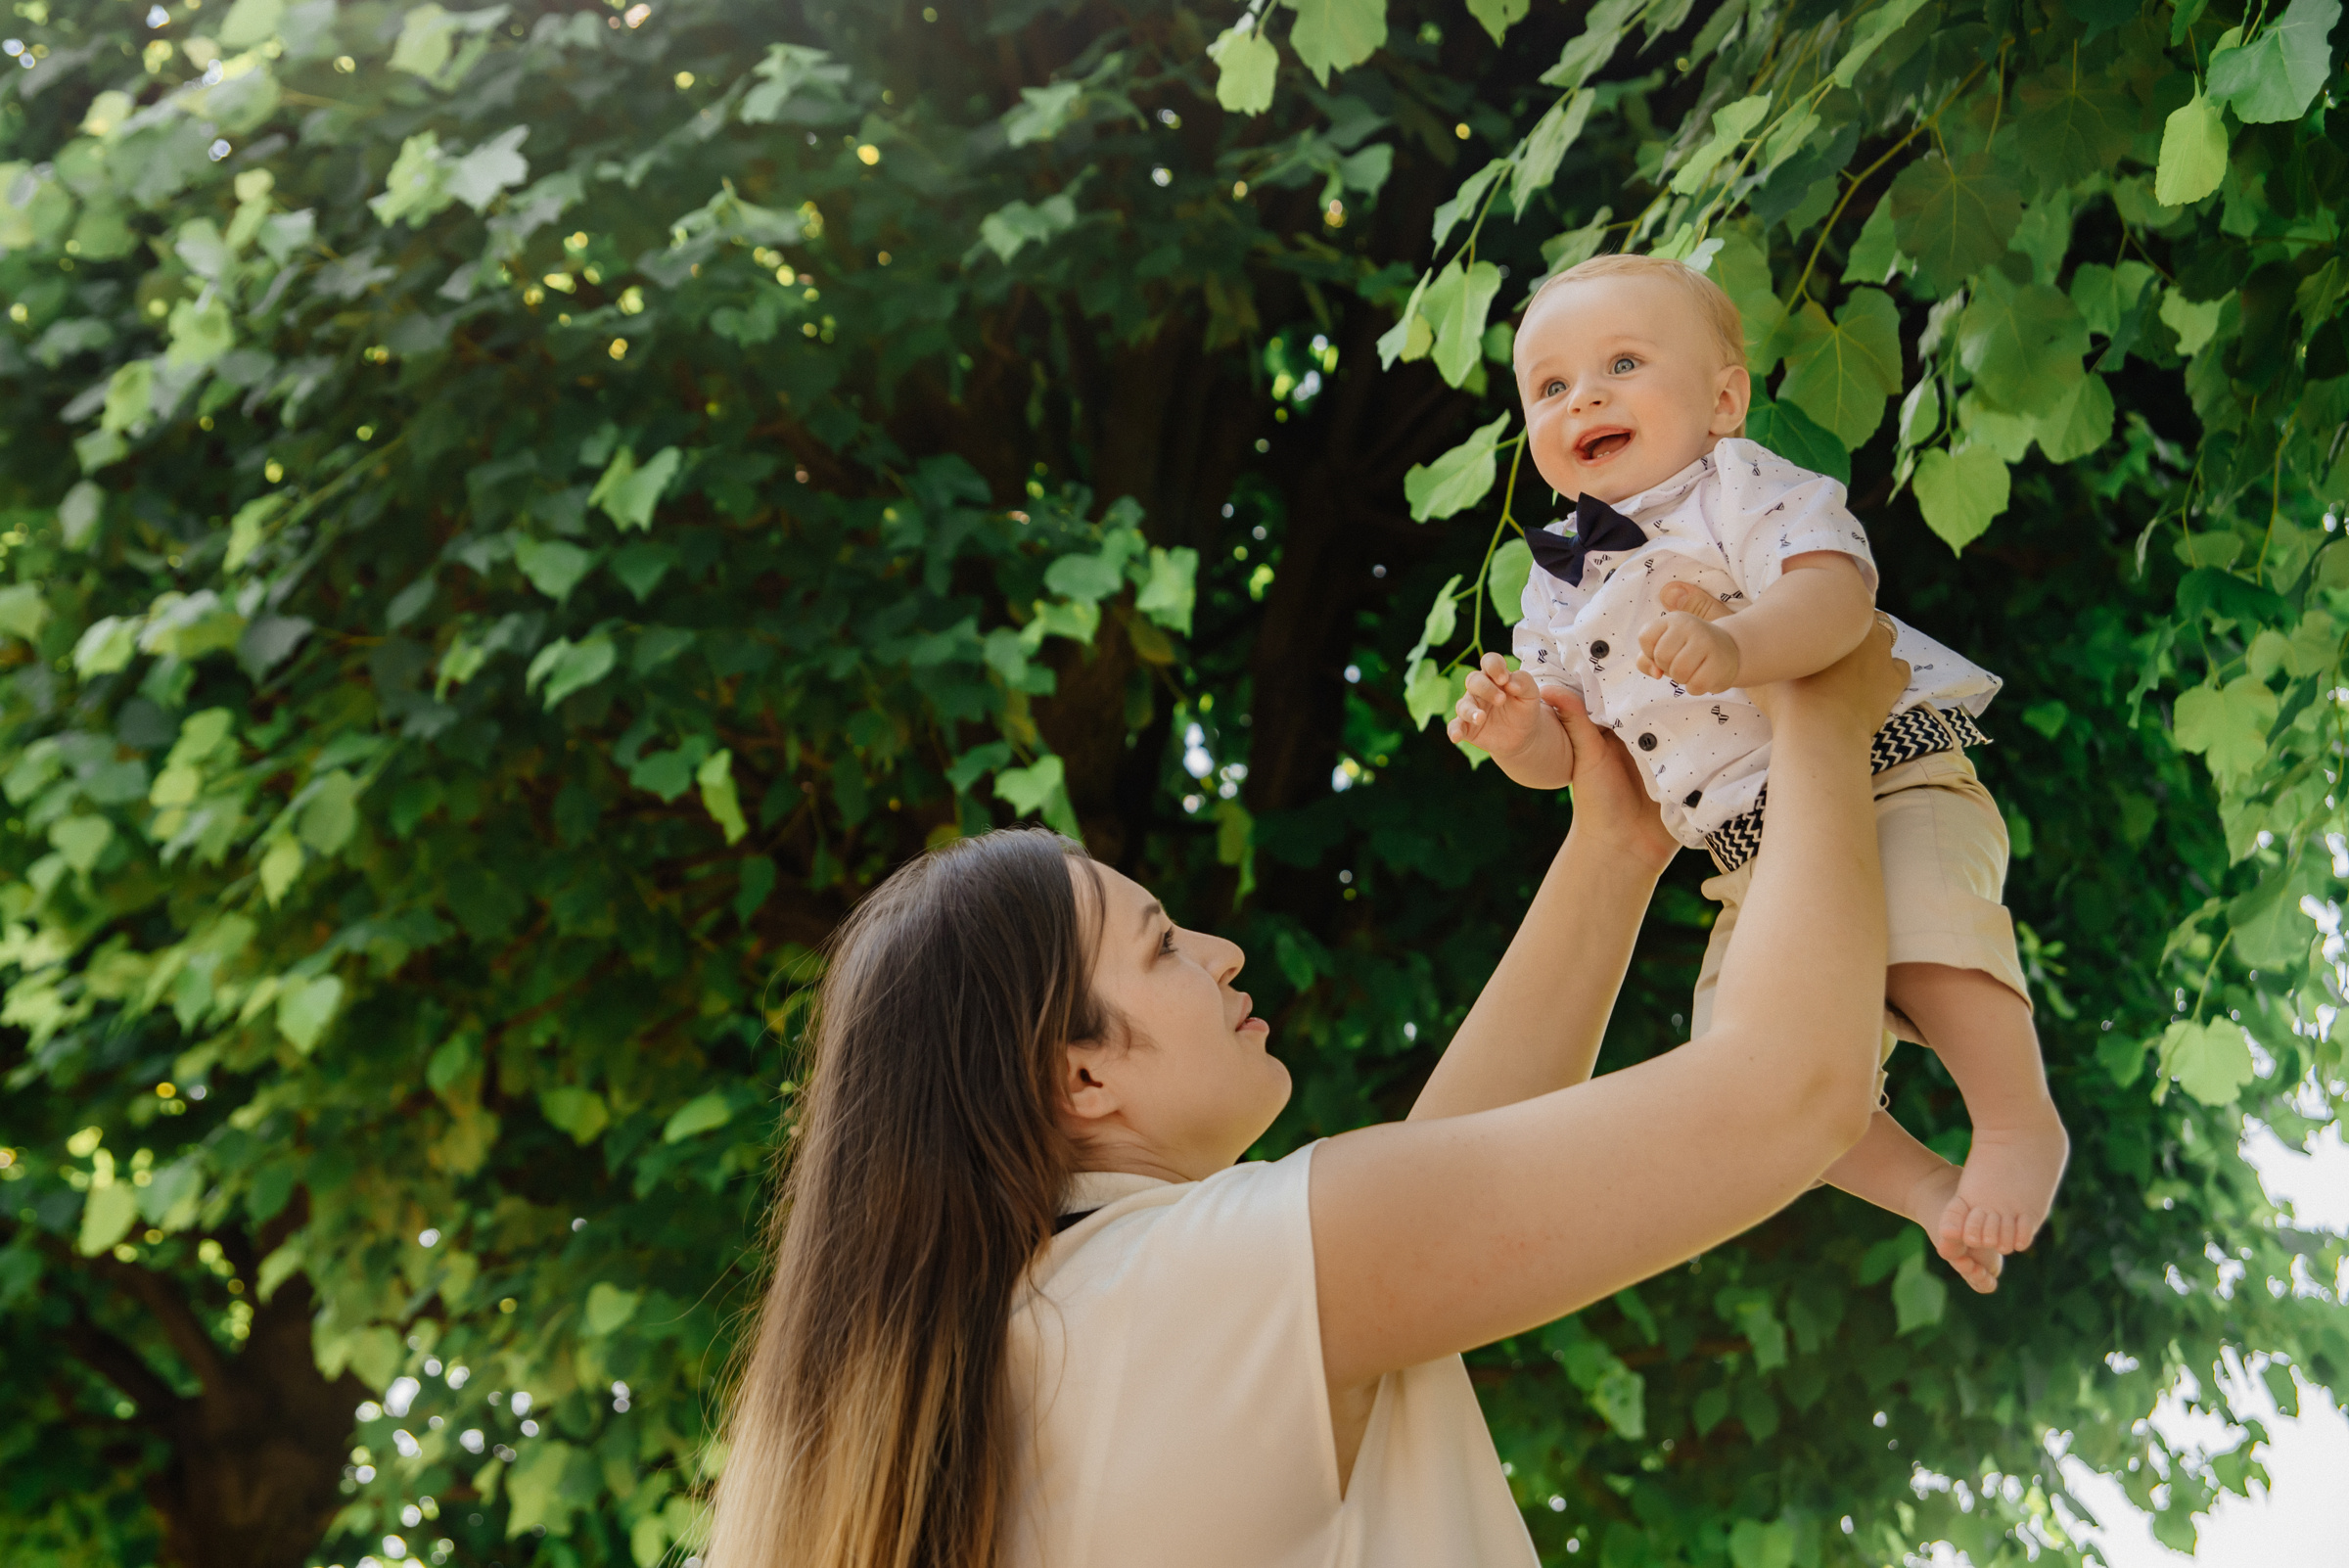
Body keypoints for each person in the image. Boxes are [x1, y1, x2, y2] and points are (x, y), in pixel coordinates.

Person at [706, 623, 1914, 1568]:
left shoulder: (1048, 1334)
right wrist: (1819, 708)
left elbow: (1436, 1202)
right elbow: (1790, 1095)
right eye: (1163, 945)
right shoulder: (1174, 1289)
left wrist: (1612, 848)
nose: (1223, 951)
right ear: (1080, 1074)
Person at [1449, 253, 2067, 1290]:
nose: (1585, 395)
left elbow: (1837, 598)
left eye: (1623, 363)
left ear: (1724, 398)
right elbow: (1575, 759)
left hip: (1884, 772)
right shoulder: (1555, 585)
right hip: (1747, 854)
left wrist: (1740, 649)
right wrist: (1523, 740)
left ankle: (2015, 1120)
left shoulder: (1738, 488)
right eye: (1551, 387)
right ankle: (1925, 1192)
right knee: (1748, 1073)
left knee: (1920, 936)